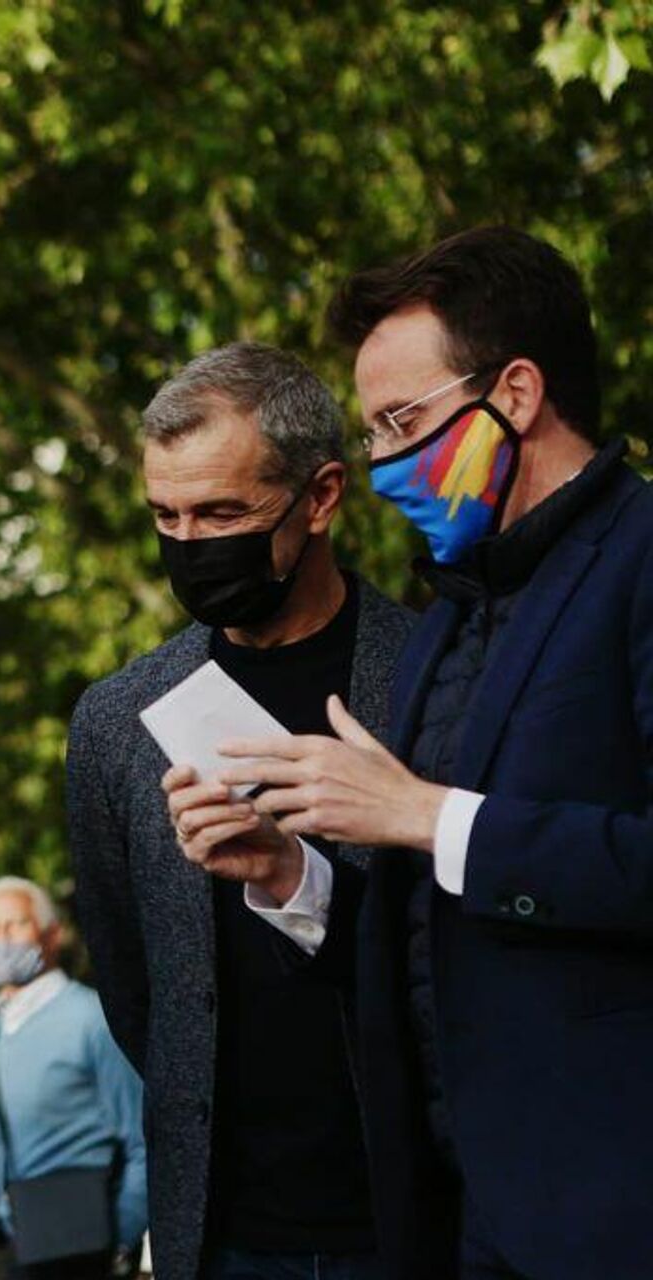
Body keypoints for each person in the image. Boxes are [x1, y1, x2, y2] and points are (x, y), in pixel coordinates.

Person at [219, 226, 653, 1280]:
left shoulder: (641, 560)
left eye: (402, 423)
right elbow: (429, 915)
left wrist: (428, 814)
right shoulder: (450, 616)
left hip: (609, 1212)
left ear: (515, 391)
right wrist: (288, 873)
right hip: (459, 1217)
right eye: (372, 433)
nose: (379, 466)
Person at [68, 343, 416, 1280]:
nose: (191, 541)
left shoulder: (432, 678)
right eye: (166, 516)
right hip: (218, 1232)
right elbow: (131, 983)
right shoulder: (117, 721)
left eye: (222, 512)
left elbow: (457, 953)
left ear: (321, 496)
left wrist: (296, 873)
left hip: (411, 1217)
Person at [0, 877, 145, 1280]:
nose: (4, 939)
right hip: (19, 1246)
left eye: (17, 924)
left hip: (85, 1243)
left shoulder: (92, 1018)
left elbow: (142, 1139)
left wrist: (120, 1238)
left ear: (51, 934)